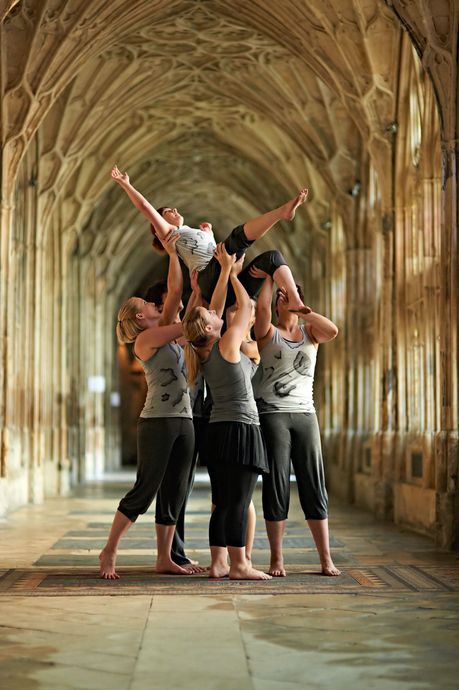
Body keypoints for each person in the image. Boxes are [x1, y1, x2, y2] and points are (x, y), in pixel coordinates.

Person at [99, 233, 200, 579]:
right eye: (146, 304)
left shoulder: (165, 329)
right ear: (140, 317)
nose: (153, 304)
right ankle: (109, 550)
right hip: (158, 421)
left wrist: (174, 253)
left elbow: (174, 291)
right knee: (145, 490)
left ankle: (164, 558)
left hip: (184, 418)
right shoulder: (146, 339)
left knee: (175, 491)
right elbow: (183, 324)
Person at [182, 246, 271, 580]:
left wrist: (223, 272)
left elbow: (217, 310)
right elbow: (246, 306)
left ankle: (219, 562)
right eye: (212, 318)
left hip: (218, 431)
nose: (217, 316)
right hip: (241, 429)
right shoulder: (227, 344)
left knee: (222, 500)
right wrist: (233, 275)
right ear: (208, 329)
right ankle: (240, 564)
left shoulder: (203, 353)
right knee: (239, 499)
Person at [111, 165, 309, 311]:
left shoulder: (189, 231)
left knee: (272, 258)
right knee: (237, 238)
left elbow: (214, 251)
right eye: (169, 211)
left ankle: (295, 300)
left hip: (224, 282)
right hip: (208, 277)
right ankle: (281, 213)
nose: (175, 210)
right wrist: (126, 185)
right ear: (160, 225)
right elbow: (145, 207)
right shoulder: (170, 234)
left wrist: (210, 235)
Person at [253, 269, 341, 577]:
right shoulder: (267, 332)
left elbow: (333, 331)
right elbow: (262, 309)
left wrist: (304, 309)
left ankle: (326, 559)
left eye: (286, 296)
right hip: (273, 414)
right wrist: (269, 276)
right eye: (280, 298)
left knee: (313, 483)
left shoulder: (310, 333)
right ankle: (277, 559)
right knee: (276, 484)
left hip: (306, 415)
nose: (282, 301)